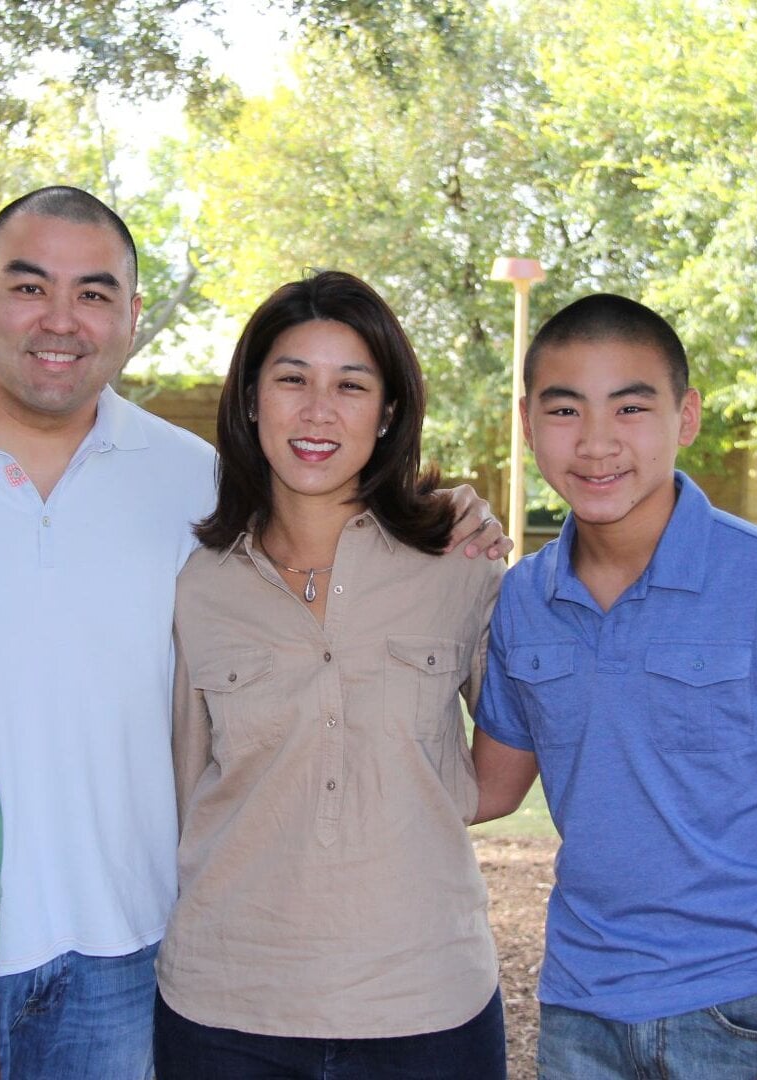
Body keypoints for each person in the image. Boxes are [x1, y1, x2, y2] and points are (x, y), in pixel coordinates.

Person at [0, 186, 509, 1080]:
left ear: (129, 315)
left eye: (93, 293)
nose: (60, 319)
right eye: (28, 284)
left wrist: (443, 513)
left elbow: (336, 531)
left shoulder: (196, 485)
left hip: (128, 954)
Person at [472, 293, 757, 1079]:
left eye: (631, 407)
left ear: (686, 416)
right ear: (527, 421)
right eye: (565, 410)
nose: (596, 443)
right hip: (580, 1016)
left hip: (747, 1016)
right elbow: (485, 789)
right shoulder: (524, 597)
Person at [155, 270, 514, 1079]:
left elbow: (506, 770)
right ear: (251, 400)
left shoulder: (458, 559)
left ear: (388, 413)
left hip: (427, 1006)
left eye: (351, 386)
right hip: (226, 1008)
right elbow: (188, 789)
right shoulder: (198, 584)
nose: (319, 412)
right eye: (292, 380)